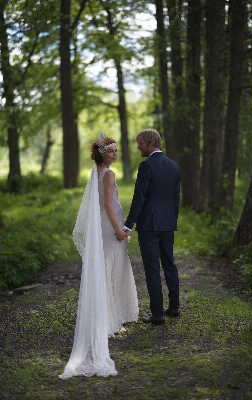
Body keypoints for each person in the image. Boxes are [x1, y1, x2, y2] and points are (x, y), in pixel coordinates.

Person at [59, 132, 139, 379]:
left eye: (116, 150)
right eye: (112, 151)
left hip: (104, 225)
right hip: (109, 225)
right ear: (103, 154)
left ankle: (108, 313)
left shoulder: (96, 172)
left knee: (108, 265)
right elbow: (106, 204)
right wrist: (118, 229)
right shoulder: (109, 174)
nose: (116, 154)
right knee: (112, 265)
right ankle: (110, 316)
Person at [124, 128, 181, 325]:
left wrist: (127, 225)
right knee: (169, 264)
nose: (138, 146)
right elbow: (176, 199)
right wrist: (172, 220)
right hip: (168, 224)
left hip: (149, 225)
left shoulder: (146, 166)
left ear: (149, 143)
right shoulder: (174, 166)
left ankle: (158, 314)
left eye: (140, 143)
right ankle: (174, 306)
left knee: (152, 269)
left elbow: (139, 199)